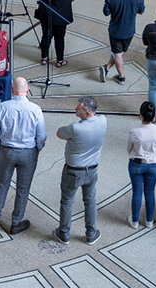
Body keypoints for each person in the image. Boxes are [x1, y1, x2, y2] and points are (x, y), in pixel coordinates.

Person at [0, 76, 45, 234]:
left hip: (6, 150)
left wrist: (0, 145)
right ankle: (16, 223)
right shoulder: (35, 109)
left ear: (12, 90)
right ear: (27, 90)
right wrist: (36, 150)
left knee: (1, 184)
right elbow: (41, 136)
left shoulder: (3, 107)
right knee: (23, 188)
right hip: (28, 152)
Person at [54, 96, 107, 245]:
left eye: (79, 109)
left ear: (88, 112)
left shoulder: (75, 128)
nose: (75, 110)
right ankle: (91, 234)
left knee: (67, 201)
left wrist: (71, 139)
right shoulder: (103, 120)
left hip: (73, 171)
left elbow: (59, 133)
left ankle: (64, 233)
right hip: (92, 170)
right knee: (90, 201)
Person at [101, 0, 144, 85]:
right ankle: (107, 68)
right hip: (130, 31)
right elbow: (141, 11)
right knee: (119, 52)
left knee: (118, 53)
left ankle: (121, 77)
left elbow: (106, 12)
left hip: (115, 30)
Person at [128, 100, 156, 229]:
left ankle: (135, 221)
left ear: (141, 115)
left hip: (137, 163)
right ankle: (149, 221)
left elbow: (129, 149)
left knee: (137, 192)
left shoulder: (134, 131)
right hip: (153, 164)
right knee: (150, 192)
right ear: (154, 116)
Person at [36, 0, 80, 67]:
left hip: (45, 14)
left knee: (46, 35)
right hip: (60, 17)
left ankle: (44, 58)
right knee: (59, 38)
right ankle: (60, 61)